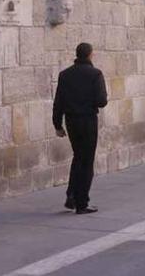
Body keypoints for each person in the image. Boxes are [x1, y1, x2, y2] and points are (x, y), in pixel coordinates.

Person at [52, 43, 108, 214]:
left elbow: (58, 102)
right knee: (86, 161)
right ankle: (82, 202)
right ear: (90, 55)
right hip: (88, 121)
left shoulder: (65, 75)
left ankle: (72, 194)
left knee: (78, 157)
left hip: (71, 121)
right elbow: (101, 101)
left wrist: (57, 125)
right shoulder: (95, 74)